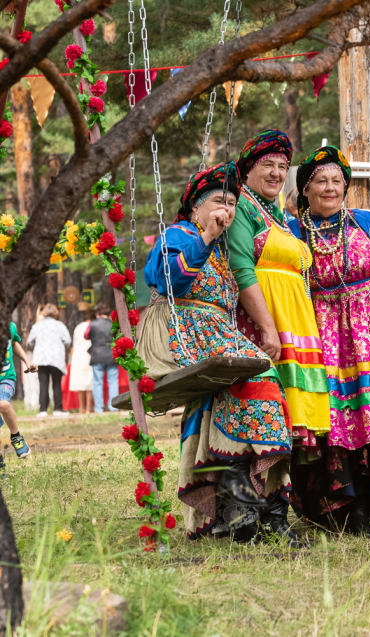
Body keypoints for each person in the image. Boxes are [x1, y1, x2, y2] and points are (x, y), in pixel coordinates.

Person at [138, 162, 297, 544]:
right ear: (195, 207)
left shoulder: (225, 249)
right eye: (217, 201)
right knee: (256, 379)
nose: (225, 209)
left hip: (216, 332)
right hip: (180, 329)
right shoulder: (177, 234)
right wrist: (207, 236)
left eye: (231, 202)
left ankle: (255, 513)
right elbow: (168, 281)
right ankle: (246, 508)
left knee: (253, 393)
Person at [289, 145, 370, 535]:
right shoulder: (292, 233)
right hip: (322, 338)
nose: (329, 187)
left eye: (337, 181)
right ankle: (348, 506)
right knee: (336, 420)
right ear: (305, 190)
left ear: (346, 187)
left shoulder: (368, 223)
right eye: (320, 181)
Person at [227, 131, 331, 536]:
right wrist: (268, 327)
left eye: (282, 167)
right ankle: (245, 513)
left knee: (288, 418)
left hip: (295, 326)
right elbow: (241, 267)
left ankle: (276, 515)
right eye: (266, 164)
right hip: (260, 324)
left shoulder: (281, 217)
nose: (275, 172)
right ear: (248, 169)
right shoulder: (243, 210)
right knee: (261, 414)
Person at [0, 322, 36, 477]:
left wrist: (27, 360)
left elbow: (14, 343)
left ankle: (16, 437)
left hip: (5, 378)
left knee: (3, 404)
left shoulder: (10, 326)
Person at [27, 304, 71, 417]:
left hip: (41, 358)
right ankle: (58, 409)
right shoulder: (60, 325)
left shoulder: (37, 326)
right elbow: (68, 341)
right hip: (57, 358)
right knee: (56, 383)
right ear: (55, 313)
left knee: (43, 383)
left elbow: (30, 341)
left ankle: (43, 410)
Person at [85, 304, 119, 413]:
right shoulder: (113, 324)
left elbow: (86, 335)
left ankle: (98, 408)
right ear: (108, 313)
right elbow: (118, 336)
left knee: (97, 383)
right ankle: (113, 407)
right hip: (112, 355)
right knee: (113, 381)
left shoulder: (92, 323)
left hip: (97, 356)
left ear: (97, 313)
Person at [68, 315, 94, 414]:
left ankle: (81, 408)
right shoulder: (91, 325)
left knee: (80, 385)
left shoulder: (78, 327)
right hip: (88, 354)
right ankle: (88, 408)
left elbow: (74, 342)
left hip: (77, 355)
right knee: (89, 384)